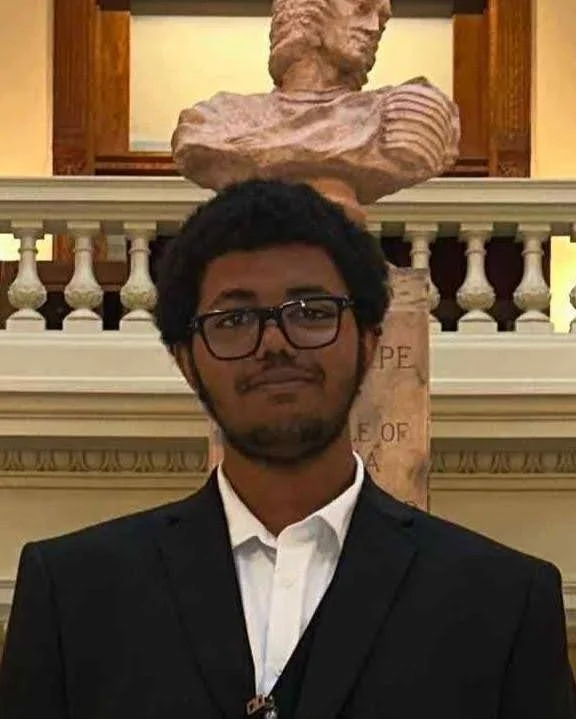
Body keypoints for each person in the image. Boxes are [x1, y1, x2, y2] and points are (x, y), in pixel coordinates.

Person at [1, 180, 574, 719]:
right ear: (185, 360)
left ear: (370, 341)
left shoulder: (504, 603)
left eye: (312, 312)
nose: (274, 343)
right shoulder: (71, 594)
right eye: (234, 318)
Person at [172, 0, 460, 206]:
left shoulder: (399, 114)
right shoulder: (215, 120)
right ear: (310, 7)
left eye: (381, 20)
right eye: (362, 9)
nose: (373, 27)